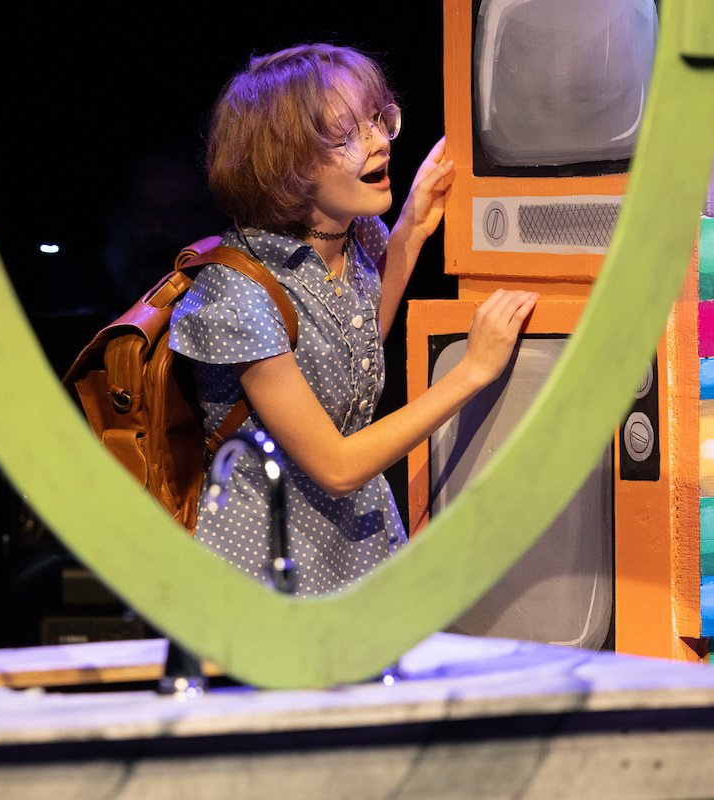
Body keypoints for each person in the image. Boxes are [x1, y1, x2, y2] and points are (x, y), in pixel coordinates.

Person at [169, 44, 537, 596]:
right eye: (346, 135)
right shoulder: (237, 294)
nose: (379, 141)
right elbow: (337, 466)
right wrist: (471, 371)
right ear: (285, 165)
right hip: (266, 577)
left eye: (376, 118)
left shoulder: (355, 236)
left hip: (354, 554)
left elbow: (355, 348)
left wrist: (411, 227)